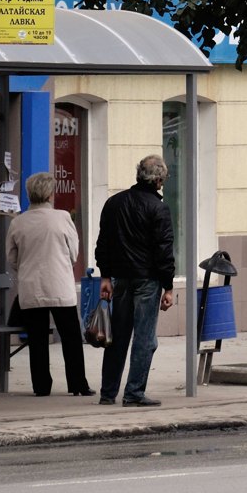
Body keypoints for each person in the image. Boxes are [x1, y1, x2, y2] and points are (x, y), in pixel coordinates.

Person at [96, 154, 176, 406]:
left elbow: (103, 244)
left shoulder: (114, 203)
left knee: (117, 337)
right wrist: (169, 286)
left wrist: (105, 276)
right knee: (145, 339)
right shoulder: (158, 208)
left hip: (120, 279)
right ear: (159, 180)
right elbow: (164, 251)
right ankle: (134, 393)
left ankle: (108, 393)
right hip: (147, 281)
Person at [6, 172, 93, 397]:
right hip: (60, 286)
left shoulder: (18, 222)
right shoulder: (63, 218)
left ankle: (41, 386)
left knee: (37, 339)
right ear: (50, 194)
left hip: (31, 288)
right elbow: (74, 252)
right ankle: (77, 384)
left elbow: (12, 258)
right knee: (71, 337)